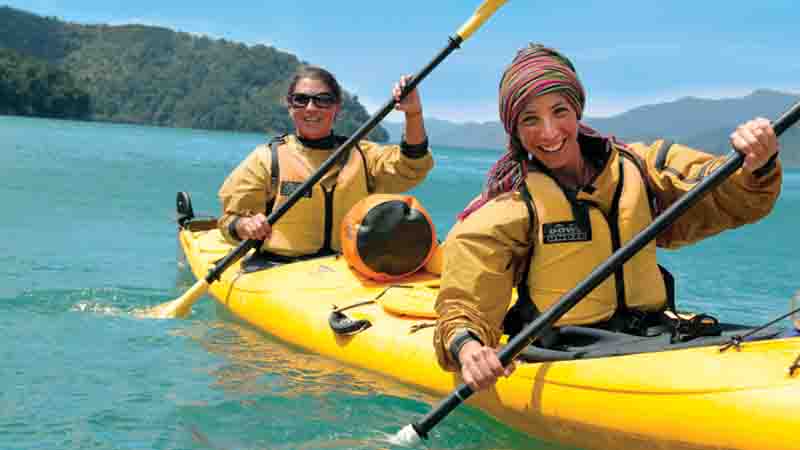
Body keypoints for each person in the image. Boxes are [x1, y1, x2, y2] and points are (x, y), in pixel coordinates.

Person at [433, 44, 782, 392]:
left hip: (654, 332)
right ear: (515, 130)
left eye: (560, 111)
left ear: (577, 110)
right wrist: (469, 347)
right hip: (568, 349)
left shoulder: (641, 166)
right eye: (530, 119)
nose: (550, 131)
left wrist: (755, 164)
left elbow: (726, 192)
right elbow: (465, 297)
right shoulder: (509, 204)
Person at [217, 66, 433, 261]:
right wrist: (245, 225)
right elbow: (229, 222)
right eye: (301, 99)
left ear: (336, 108)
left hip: (346, 272)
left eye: (323, 100)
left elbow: (412, 165)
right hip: (281, 269)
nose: (311, 108)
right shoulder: (267, 158)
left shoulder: (363, 155)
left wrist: (413, 114)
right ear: (290, 107)